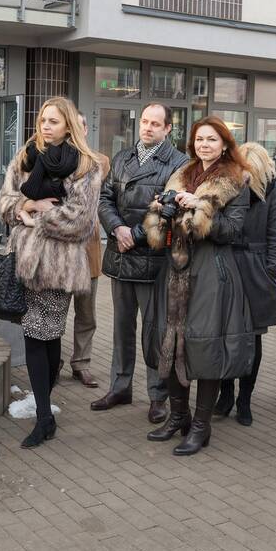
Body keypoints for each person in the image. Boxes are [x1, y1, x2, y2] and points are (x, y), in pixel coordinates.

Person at [143, 116, 253, 456]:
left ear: (224, 145)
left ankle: (202, 426)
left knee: (204, 346)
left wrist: (201, 208)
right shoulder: (182, 174)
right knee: (172, 341)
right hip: (176, 269)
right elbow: (160, 228)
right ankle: (179, 416)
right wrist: (162, 210)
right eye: (199, 139)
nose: (204, 145)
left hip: (211, 272)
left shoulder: (236, 179)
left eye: (211, 139)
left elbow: (233, 232)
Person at [0, 97, 102, 448]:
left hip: (59, 266)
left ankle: (45, 404)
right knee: (35, 333)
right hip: (25, 262)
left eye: (53, 121)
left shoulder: (86, 165)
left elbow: (80, 220)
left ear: (68, 125)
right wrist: (28, 204)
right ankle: (44, 415)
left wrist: (33, 219)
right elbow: (4, 201)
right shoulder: (27, 156)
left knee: (49, 334)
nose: (45, 126)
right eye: (42, 119)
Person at [94, 103, 188, 422]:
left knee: (154, 332)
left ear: (167, 129)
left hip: (153, 260)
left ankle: (157, 395)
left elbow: (169, 208)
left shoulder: (178, 163)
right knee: (121, 329)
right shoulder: (122, 157)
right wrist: (117, 228)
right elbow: (105, 199)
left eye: (155, 124)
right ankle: (120, 387)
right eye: (144, 121)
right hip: (121, 258)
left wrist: (134, 233)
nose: (147, 128)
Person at [214, 142, 276, 426]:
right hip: (227, 264)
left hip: (256, 269)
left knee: (252, 339)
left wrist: (271, 270)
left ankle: (245, 399)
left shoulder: (271, 190)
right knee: (223, 335)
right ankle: (226, 394)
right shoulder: (226, 184)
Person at [65, 113, 111, 389]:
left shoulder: (101, 162)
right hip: (56, 251)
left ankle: (81, 363)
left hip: (88, 249)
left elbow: (106, 201)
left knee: (86, 313)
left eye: (80, 126)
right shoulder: (50, 159)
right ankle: (51, 362)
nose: (76, 131)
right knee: (54, 311)